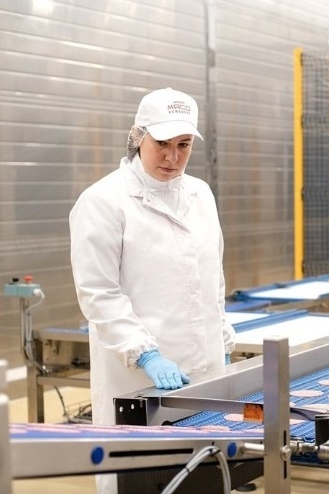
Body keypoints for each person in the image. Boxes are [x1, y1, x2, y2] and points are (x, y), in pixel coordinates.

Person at [69, 87, 236, 493]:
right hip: (138, 380)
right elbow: (99, 293)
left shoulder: (201, 195)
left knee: (204, 479)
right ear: (137, 137)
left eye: (183, 145)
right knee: (140, 481)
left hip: (204, 375)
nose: (172, 157)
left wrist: (223, 341)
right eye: (162, 143)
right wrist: (146, 353)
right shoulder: (103, 201)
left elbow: (212, 277)